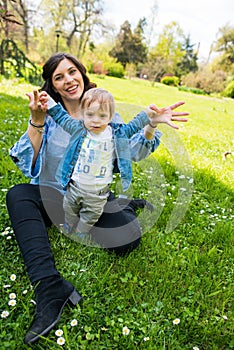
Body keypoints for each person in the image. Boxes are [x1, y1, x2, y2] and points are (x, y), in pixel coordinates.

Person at [6, 52, 188, 345]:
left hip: (92, 196)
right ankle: (50, 287)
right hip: (53, 194)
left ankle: (119, 203)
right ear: (52, 85)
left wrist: (150, 125)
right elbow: (29, 162)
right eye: (59, 77)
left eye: (71, 72)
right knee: (17, 195)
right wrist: (36, 120)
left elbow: (131, 151)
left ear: (81, 72)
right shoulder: (52, 117)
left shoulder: (104, 112)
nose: (68, 80)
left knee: (127, 238)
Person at [39, 87, 163, 241]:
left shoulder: (116, 133)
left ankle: (80, 232)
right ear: (83, 114)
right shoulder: (78, 129)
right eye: (90, 115)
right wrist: (49, 102)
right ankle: (69, 225)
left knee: (90, 216)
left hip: (97, 194)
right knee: (69, 209)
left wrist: (148, 114)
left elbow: (134, 125)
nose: (95, 120)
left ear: (111, 117)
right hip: (75, 187)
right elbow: (62, 118)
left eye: (102, 115)